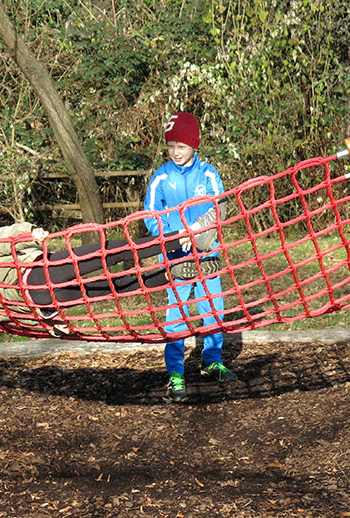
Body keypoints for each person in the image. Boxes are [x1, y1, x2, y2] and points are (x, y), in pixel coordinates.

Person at [0, 209, 221, 335]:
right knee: (108, 253)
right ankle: (185, 236)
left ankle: (175, 272)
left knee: (115, 285)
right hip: (37, 272)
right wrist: (25, 232)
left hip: (39, 300)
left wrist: (46, 321)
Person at [144, 111, 237, 403]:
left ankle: (212, 360)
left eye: (181, 147)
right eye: (170, 146)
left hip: (207, 251)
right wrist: (173, 235)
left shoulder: (208, 173)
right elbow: (150, 215)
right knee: (177, 315)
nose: (175, 152)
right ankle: (175, 373)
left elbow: (220, 207)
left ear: (194, 145)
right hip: (177, 257)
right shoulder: (161, 177)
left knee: (213, 308)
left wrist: (196, 230)